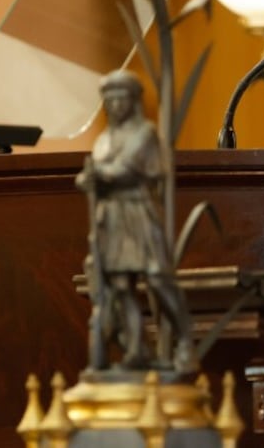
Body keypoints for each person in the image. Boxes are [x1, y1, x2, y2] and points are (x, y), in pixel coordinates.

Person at [77, 68, 194, 373]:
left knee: (157, 276)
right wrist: (87, 180)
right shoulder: (104, 138)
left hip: (138, 212)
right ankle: (135, 350)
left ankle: (184, 341)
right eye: (110, 99)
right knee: (121, 284)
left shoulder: (145, 133)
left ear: (133, 100)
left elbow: (126, 168)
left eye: (121, 98)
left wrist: (97, 175)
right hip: (112, 216)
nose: (115, 105)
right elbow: (99, 170)